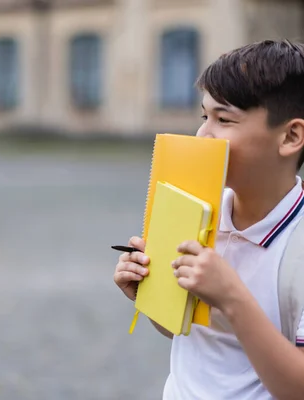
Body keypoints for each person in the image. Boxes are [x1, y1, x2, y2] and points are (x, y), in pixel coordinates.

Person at [114, 39, 304, 399]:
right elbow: (190, 333)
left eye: (224, 119)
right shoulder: (196, 208)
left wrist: (231, 297)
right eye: (205, 116)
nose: (203, 134)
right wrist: (150, 295)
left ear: (291, 136)